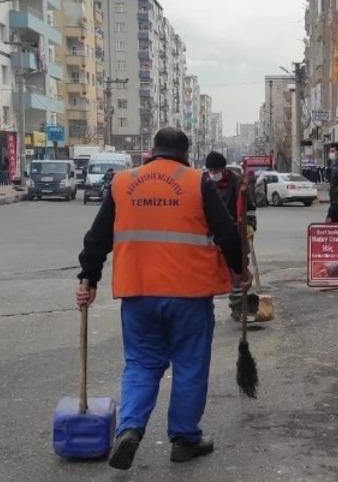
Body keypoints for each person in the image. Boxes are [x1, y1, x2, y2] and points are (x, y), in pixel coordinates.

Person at [76, 128, 248, 470]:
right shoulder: (196, 182)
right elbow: (228, 233)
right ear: (185, 153)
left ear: (153, 151)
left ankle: (129, 429)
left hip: (138, 292)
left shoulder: (123, 182)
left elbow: (97, 237)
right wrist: (239, 270)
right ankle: (184, 440)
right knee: (189, 365)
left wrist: (89, 277)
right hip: (189, 295)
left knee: (141, 364)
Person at [204, 151, 257, 322]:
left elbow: (249, 207)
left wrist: (250, 225)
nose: (214, 173)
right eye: (211, 170)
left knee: (238, 273)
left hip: (234, 233)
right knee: (209, 273)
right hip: (210, 236)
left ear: (223, 168)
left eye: (216, 170)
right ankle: (205, 309)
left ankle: (238, 307)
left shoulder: (237, 183)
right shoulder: (204, 182)